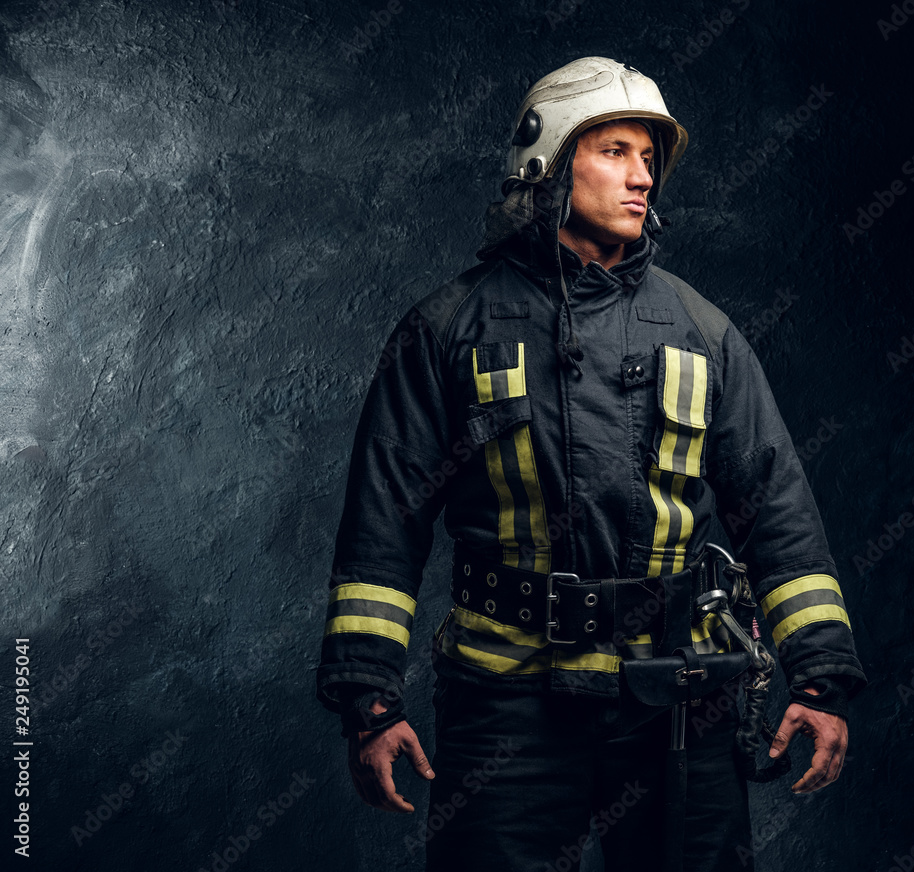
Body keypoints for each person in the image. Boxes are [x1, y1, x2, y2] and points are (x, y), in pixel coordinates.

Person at [316, 56, 866, 871]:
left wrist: (819, 679)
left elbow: (775, 509)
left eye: (650, 159)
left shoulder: (702, 333)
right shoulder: (447, 331)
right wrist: (368, 700)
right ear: (543, 166)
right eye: (614, 152)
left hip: (678, 699)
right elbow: (383, 526)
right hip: (507, 704)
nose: (642, 178)